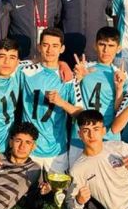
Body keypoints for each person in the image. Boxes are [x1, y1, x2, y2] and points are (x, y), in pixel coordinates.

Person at [19, 28, 82, 173]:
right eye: (45, 45)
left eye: (55, 46)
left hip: (56, 150)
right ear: (39, 47)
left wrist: (61, 102)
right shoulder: (25, 71)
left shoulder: (68, 78)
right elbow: (8, 66)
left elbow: (80, 113)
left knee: (58, 188)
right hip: (28, 148)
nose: (50, 50)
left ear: (62, 49)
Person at [68, 26, 128, 161]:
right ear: (95, 45)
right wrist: (77, 80)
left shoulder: (121, 75)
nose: (106, 50)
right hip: (81, 135)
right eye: (102, 44)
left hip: (108, 137)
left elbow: (119, 110)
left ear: (118, 48)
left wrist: (119, 88)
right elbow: (71, 99)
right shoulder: (84, 68)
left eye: (111, 46)